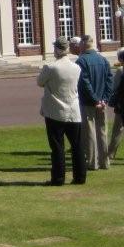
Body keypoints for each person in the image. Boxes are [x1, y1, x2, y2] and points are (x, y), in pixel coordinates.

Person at [37, 37, 86, 186]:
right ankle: (80, 177)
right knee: (77, 146)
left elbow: (40, 82)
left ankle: (58, 178)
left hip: (55, 111)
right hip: (73, 110)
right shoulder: (76, 67)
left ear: (58, 50)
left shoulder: (51, 67)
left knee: (58, 147)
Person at [76, 34, 113, 170]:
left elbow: (85, 83)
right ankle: (105, 161)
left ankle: (92, 162)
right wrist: (105, 99)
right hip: (102, 102)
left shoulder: (81, 61)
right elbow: (110, 80)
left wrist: (96, 99)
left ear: (84, 45)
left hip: (88, 102)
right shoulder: (103, 60)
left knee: (90, 132)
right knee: (102, 131)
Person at [107, 64, 124, 163]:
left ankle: (111, 153)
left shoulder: (120, 70)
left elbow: (115, 86)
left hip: (121, 104)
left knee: (117, 129)